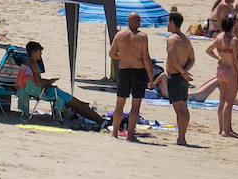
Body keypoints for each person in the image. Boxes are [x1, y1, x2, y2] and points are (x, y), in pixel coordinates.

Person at [19, 40, 104, 123]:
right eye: (39, 52)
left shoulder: (26, 63)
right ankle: (101, 121)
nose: (41, 54)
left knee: (77, 105)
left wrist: (48, 81)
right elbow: (39, 83)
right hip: (45, 92)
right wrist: (49, 82)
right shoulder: (34, 65)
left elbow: (35, 81)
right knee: (80, 105)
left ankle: (97, 119)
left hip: (34, 90)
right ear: (34, 52)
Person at [150, 11, 195, 145]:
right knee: (183, 108)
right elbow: (192, 59)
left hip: (175, 77)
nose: (166, 24)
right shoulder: (186, 39)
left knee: (180, 109)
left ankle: (181, 138)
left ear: (173, 22)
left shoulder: (172, 39)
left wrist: (181, 72)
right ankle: (182, 137)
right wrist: (185, 71)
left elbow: (172, 59)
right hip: (181, 77)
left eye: (168, 21)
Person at [108, 12, 150, 141]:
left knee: (119, 104)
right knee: (135, 105)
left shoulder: (120, 35)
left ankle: (115, 132)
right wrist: (151, 74)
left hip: (124, 71)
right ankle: (130, 135)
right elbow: (145, 57)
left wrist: (123, 56)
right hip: (138, 71)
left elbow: (111, 53)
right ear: (137, 22)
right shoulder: (142, 36)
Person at [205, 13, 238, 137]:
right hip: (231, 70)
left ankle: (223, 127)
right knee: (229, 101)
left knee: (222, 100)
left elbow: (208, 50)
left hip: (220, 69)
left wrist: (218, 57)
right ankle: (225, 131)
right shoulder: (233, 39)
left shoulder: (219, 37)